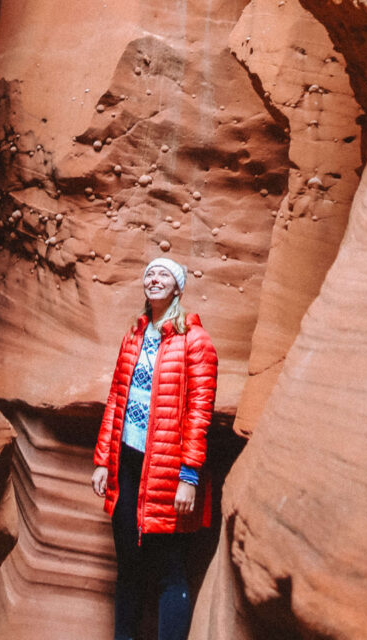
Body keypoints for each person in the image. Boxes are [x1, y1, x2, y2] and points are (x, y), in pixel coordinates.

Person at [91, 255, 218, 640]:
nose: (155, 279)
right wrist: (102, 462)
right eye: (150, 274)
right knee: (128, 563)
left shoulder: (196, 342)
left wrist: (189, 476)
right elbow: (116, 398)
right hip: (126, 465)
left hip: (167, 470)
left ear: (178, 287)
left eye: (164, 274)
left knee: (168, 568)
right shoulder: (134, 335)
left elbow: (199, 412)